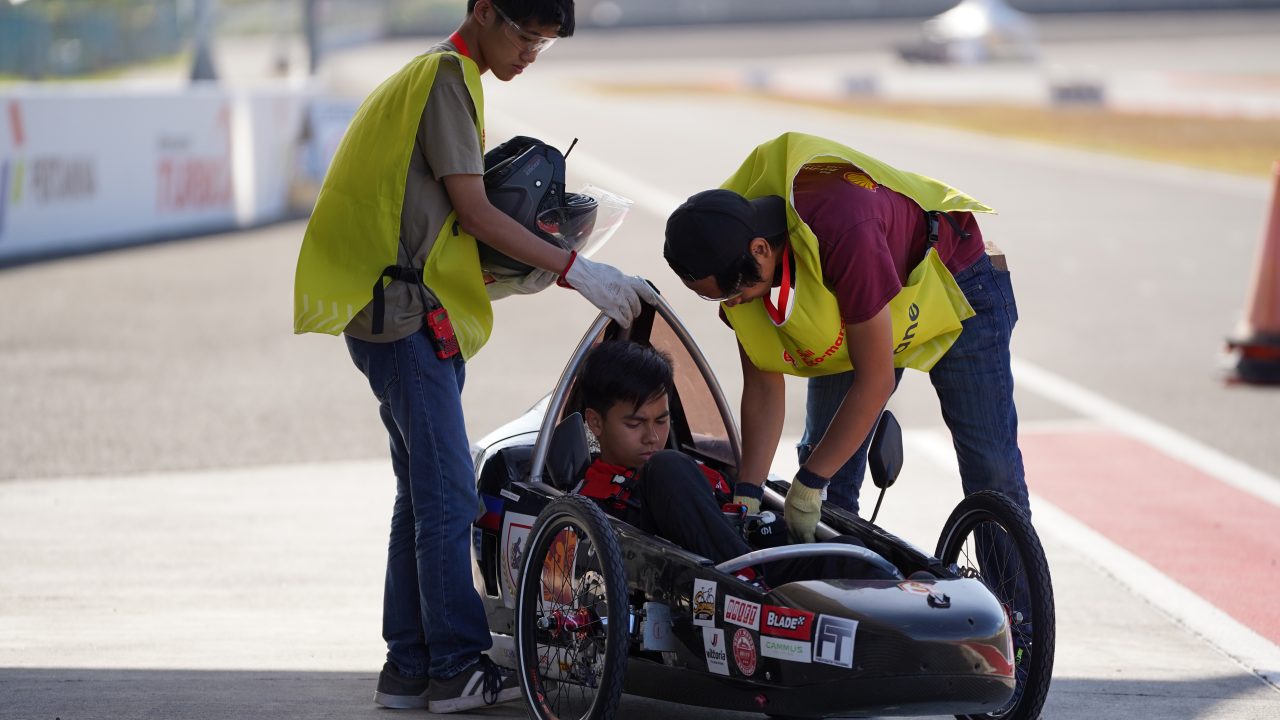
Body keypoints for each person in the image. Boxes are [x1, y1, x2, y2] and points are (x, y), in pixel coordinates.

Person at [291, 0, 655, 713]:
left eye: (544, 45)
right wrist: (576, 269)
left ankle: (408, 667)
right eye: (525, 36)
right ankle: (456, 666)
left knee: (421, 497)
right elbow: (477, 211)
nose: (529, 54)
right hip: (405, 325)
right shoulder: (449, 78)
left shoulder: (428, 77)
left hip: (389, 318)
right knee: (451, 496)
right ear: (484, 11)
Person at [662, 131, 1030, 545]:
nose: (733, 304)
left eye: (734, 294)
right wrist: (747, 492)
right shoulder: (729, 251)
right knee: (829, 485)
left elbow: (875, 381)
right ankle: (839, 600)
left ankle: (1018, 610)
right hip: (858, 304)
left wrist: (809, 483)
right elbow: (763, 384)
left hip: (953, 283)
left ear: (761, 250)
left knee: (990, 474)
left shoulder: (843, 228)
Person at [574, 340, 894, 586]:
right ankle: (743, 584)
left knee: (849, 553)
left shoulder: (698, 469)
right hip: (709, 585)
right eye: (635, 424)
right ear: (596, 423)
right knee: (666, 466)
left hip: (760, 570)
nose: (652, 437)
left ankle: (919, 590)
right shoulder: (593, 497)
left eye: (661, 420)